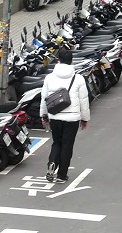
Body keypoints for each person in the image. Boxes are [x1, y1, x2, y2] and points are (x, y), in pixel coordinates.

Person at [39, 48, 90, 183]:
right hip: (72, 118)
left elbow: (44, 98)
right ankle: (62, 175)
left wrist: (44, 115)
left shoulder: (49, 77)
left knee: (57, 142)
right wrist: (85, 118)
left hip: (55, 116)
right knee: (67, 145)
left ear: (58, 60)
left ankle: (52, 163)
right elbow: (84, 100)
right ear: (71, 61)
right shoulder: (78, 78)